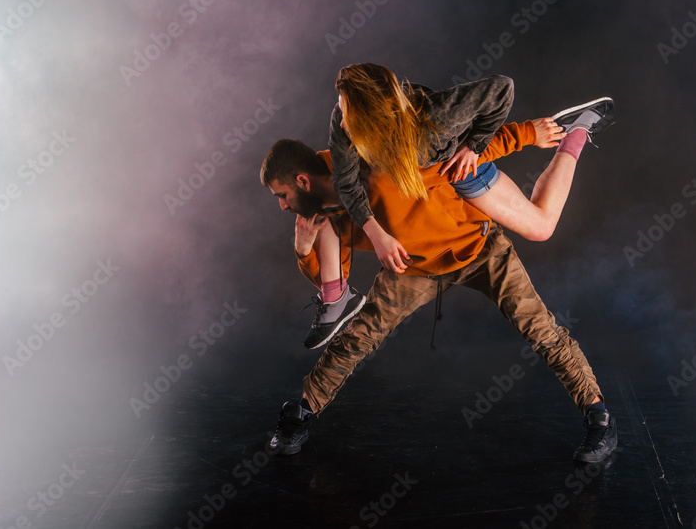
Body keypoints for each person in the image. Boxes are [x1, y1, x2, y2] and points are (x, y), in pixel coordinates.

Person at [258, 116, 618, 463]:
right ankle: (299, 415)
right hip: (412, 269)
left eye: (282, 195)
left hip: (478, 249)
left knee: (541, 329)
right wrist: (303, 250)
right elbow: (335, 287)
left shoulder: (371, 164)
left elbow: (459, 153)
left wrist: (527, 133)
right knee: (355, 338)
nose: (282, 206)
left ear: (303, 180)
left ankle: (598, 416)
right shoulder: (318, 212)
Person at [300, 63, 612, 350]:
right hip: (425, 182)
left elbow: (501, 87)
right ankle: (336, 299)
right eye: (341, 109)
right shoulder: (343, 123)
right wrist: (376, 233)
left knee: (541, 228)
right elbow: (346, 182)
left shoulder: (435, 123)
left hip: (459, 168)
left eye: (349, 114)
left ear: (375, 118)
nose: (341, 120)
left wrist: (475, 148)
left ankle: (575, 133)